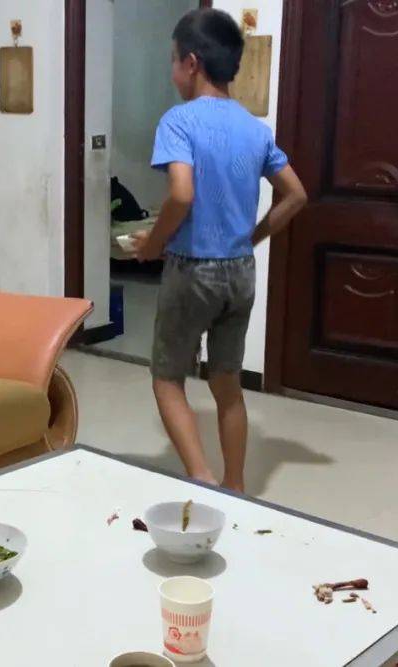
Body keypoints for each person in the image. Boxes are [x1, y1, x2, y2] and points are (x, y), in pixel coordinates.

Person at [132, 7, 307, 493]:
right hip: (240, 272)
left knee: (167, 378)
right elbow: (296, 195)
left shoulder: (178, 121)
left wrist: (153, 244)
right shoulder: (255, 128)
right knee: (227, 383)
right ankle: (234, 486)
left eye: (173, 61)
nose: (172, 72)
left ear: (191, 63)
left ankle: (202, 479)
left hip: (192, 271)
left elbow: (181, 194)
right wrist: (250, 239)